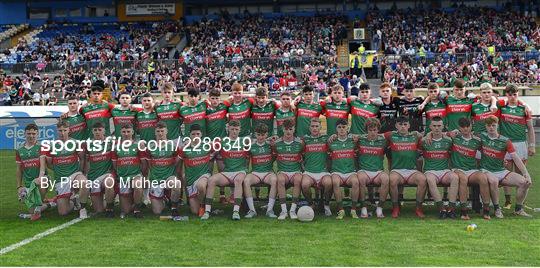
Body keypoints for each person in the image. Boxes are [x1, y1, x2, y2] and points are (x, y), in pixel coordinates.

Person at [480, 115, 532, 218]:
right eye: (489, 125)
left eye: (493, 125)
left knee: (524, 183)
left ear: (497, 126)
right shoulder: (481, 137)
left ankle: (518, 209)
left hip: (501, 171)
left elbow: (516, 158)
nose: (491, 128)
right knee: (494, 180)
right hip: (485, 171)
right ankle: (497, 208)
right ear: (485, 126)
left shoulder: (505, 141)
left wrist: (526, 174)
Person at [40, 120, 89, 218]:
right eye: (60, 130)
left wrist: (81, 172)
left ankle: (83, 208)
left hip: (75, 174)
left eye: (64, 130)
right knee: (63, 212)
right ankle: (73, 201)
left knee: (84, 182)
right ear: (57, 131)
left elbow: (82, 158)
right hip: (60, 179)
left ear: (69, 130)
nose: (62, 133)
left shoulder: (76, 143)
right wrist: (60, 168)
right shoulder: (52, 145)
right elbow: (50, 164)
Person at [201, 120, 248, 220]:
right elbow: (208, 149)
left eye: (236, 129)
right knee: (211, 180)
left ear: (240, 130)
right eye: (232, 129)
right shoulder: (222, 141)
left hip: (240, 171)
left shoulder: (245, 141)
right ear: (228, 129)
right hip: (227, 172)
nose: (234, 131)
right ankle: (207, 211)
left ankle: (236, 211)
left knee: (238, 180)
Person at [499, 84, 535, 209]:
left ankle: (521, 202)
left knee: (521, 174)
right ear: (506, 95)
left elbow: (530, 128)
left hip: (520, 144)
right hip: (506, 144)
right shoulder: (501, 107)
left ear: (518, 94)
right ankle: (508, 201)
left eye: (515, 94)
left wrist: (532, 145)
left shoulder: (524, 109)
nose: (513, 97)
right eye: (510, 94)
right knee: (507, 173)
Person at [448, 118, 491, 220]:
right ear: (459, 128)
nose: (466, 128)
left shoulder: (477, 140)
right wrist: (449, 133)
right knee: (463, 179)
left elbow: (488, 150)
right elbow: (439, 134)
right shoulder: (454, 138)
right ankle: (464, 211)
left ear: (471, 126)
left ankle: (486, 210)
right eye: (463, 127)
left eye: (468, 126)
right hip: (457, 169)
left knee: (483, 178)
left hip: (472, 170)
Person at [386, 116, 427, 218]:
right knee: (392, 180)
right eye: (400, 125)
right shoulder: (391, 135)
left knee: (423, 180)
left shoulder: (416, 136)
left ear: (409, 125)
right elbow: (374, 135)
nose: (403, 127)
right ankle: (396, 207)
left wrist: (429, 134)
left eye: (405, 124)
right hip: (397, 170)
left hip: (412, 171)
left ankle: (418, 208)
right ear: (396, 126)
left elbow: (429, 136)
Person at [140, 122, 183, 217]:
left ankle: (174, 208)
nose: (160, 133)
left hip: (168, 179)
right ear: (155, 132)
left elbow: (177, 163)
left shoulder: (173, 146)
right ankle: (165, 199)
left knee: (176, 183)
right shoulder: (150, 147)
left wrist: (176, 175)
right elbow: (148, 165)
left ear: (166, 131)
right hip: (156, 180)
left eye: (162, 131)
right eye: (158, 131)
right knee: (157, 212)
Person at [420, 117, 459, 219]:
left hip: (445, 170)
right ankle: (441, 209)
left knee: (455, 177)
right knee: (430, 179)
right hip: (430, 171)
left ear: (443, 126)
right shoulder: (424, 141)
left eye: (439, 126)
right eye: (434, 126)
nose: (436, 128)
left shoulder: (449, 140)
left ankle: (451, 209)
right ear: (430, 127)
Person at [16, 124, 54, 221]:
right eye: (29, 133)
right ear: (24, 134)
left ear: (37, 134)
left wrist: (40, 177)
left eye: (33, 133)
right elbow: (19, 169)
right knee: (32, 211)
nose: (31, 136)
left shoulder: (41, 147)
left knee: (43, 181)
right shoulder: (19, 150)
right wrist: (19, 186)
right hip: (29, 184)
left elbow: (42, 165)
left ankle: (37, 209)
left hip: (42, 179)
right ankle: (51, 203)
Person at [111, 123, 147, 218]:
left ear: (132, 132)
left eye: (128, 131)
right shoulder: (115, 147)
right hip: (123, 178)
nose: (126, 134)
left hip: (136, 175)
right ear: (120, 133)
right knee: (126, 211)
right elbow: (115, 165)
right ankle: (135, 202)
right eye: (124, 132)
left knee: (138, 185)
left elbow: (144, 164)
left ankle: (137, 209)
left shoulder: (138, 145)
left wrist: (142, 176)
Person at [356, 118, 389, 218]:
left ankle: (380, 208)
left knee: (386, 179)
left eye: (375, 130)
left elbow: (393, 134)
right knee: (360, 179)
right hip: (364, 171)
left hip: (378, 171)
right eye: (370, 130)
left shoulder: (383, 141)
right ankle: (363, 207)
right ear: (366, 130)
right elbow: (347, 137)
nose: (373, 132)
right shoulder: (360, 139)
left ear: (378, 130)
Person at [243, 123, 278, 218]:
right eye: (258, 135)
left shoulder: (271, 145)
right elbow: (246, 160)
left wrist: (273, 146)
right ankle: (252, 210)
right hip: (255, 173)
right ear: (255, 134)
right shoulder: (251, 145)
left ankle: (270, 210)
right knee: (246, 181)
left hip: (268, 172)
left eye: (263, 135)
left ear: (266, 134)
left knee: (275, 180)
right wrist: (245, 171)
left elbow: (275, 157)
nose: (260, 137)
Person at [178, 124, 213, 216]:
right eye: (193, 134)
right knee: (194, 211)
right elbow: (178, 162)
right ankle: (198, 200)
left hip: (204, 176)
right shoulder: (184, 148)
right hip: (190, 180)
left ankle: (202, 205)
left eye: (198, 134)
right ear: (189, 135)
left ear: (201, 134)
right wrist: (180, 176)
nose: (195, 136)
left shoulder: (208, 146)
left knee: (201, 186)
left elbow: (220, 148)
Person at [329, 119, 360, 219]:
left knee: (356, 182)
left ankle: (353, 210)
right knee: (335, 182)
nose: (342, 129)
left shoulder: (353, 140)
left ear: (347, 128)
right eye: (339, 127)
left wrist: (356, 136)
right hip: (337, 171)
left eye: (344, 127)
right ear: (336, 129)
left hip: (350, 172)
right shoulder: (330, 141)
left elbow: (364, 137)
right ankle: (341, 210)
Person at [301, 118, 333, 216]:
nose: (314, 128)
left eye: (316, 126)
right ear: (309, 128)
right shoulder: (304, 140)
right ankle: (311, 203)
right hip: (309, 172)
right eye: (312, 126)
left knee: (329, 183)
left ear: (320, 127)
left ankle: (326, 204)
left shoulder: (326, 139)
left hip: (323, 171)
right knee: (305, 185)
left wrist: (334, 135)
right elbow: (299, 154)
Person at [274, 119, 304, 220]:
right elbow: (272, 156)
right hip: (283, 171)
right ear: (282, 129)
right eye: (286, 129)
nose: (288, 132)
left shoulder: (300, 143)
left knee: (298, 180)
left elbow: (303, 156)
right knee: (280, 180)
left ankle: (292, 210)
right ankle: (283, 211)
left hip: (296, 171)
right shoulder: (276, 143)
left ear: (294, 129)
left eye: (290, 129)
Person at [84, 122, 116, 217]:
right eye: (95, 130)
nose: (97, 132)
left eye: (99, 130)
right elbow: (87, 161)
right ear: (92, 132)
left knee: (109, 182)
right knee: (99, 211)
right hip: (93, 176)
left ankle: (110, 208)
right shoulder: (88, 144)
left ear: (104, 131)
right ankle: (105, 203)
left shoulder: (110, 142)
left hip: (107, 174)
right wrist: (86, 176)